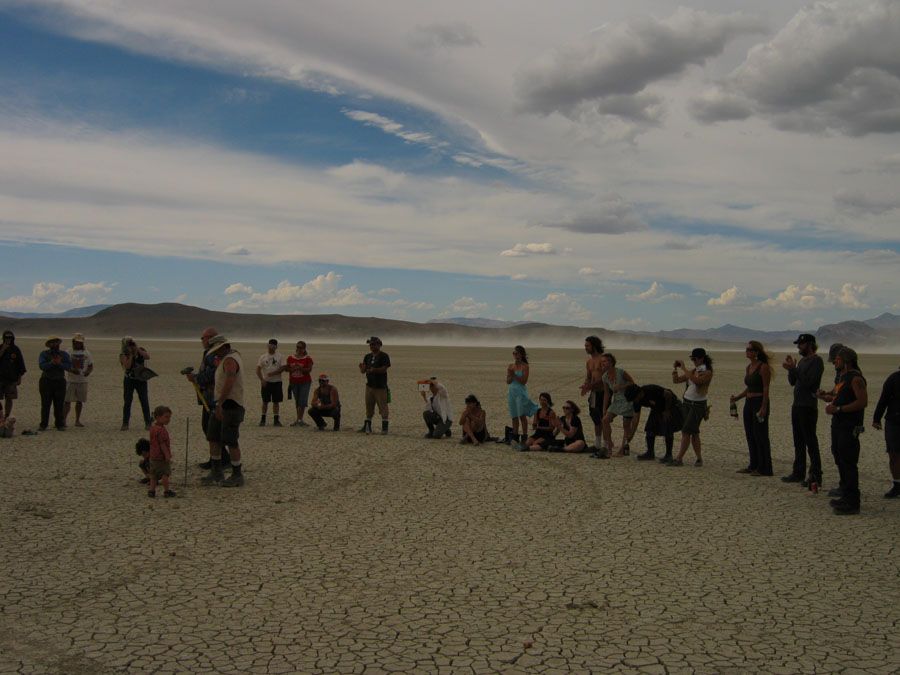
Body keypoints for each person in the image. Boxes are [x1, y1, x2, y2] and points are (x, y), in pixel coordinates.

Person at [826, 347, 867, 515]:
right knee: (839, 457)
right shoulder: (843, 378)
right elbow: (836, 395)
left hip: (849, 427)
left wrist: (840, 409)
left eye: (837, 359)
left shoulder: (856, 378)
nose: (835, 362)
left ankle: (853, 502)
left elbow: (862, 402)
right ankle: (845, 493)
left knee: (849, 462)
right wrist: (825, 397)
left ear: (846, 361)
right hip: (838, 425)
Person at [781, 334, 825, 487]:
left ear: (810, 345)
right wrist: (791, 369)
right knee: (798, 441)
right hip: (797, 405)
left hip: (808, 406)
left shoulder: (816, 361)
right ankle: (798, 472)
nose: (798, 347)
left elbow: (810, 383)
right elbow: (794, 382)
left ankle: (815, 475)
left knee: (810, 441)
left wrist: (795, 369)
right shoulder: (802, 362)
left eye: (801, 344)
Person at [202, 337, 245, 487]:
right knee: (213, 437)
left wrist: (220, 402)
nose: (215, 354)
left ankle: (237, 474)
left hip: (230, 405)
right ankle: (216, 471)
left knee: (231, 440)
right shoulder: (229, 358)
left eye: (216, 351)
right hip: (222, 404)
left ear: (223, 348)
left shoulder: (229, 361)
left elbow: (229, 381)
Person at [186, 329, 231, 469]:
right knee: (209, 428)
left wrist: (195, 378)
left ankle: (222, 458)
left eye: (203, 338)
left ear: (210, 338)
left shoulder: (213, 354)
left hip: (213, 397)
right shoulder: (209, 353)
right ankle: (216, 458)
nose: (202, 341)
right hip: (208, 396)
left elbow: (213, 374)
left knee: (211, 428)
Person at [731, 341, 774, 476]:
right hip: (749, 402)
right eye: (746, 349)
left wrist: (763, 406)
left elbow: (766, 388)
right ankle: (753, 464)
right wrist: (737, 398)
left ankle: (764, 467)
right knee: (750, 435)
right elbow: (749, 387)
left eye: (750, 349)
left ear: (756, 352)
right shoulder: (749, 367)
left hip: (758, 402)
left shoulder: (763, 367)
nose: (747, 351)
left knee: (760, 435)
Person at [667, 348, 713, 467]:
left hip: (697, 405)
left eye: (695, 359)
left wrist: (684, 368)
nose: (693, 361)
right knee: (694, 432)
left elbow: (698, 381)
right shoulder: (693, 370)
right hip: (687, 403)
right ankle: (699, 458)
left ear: (702, 358)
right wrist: (675, 369)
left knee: (687, 431)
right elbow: (676, 380)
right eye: (692, 359)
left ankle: (679, 458)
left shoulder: (707, 371)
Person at [624, 383, 683, 463]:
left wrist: (666, 410)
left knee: (668, 429)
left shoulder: (651, 389)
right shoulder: (637, 400)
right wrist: (631, 434)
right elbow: (636, 417)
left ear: (639, 393)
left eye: (635, 398)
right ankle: (650, 453)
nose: (635, 401)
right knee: (650, 429)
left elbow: (668, 394)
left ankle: (669, 455)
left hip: (670, 405)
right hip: (656, 408)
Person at [872, 365, 900, 499]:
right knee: (893, 454)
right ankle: (897, 484)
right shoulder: (893, 379)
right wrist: (876, 418)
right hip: (893, 421)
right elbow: (883, 399)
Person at [600, 353, 635, 457]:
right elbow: (607, 393)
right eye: (602, 362)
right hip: (616, 401)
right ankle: (609, 446)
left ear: (611, 363)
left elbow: (632, 383)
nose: (602, 363)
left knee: (626, 425)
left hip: (627, 400)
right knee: (605, 420)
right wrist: (604, 409)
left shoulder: (620, 372)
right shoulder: (605, 377)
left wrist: (621, 387)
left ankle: (622, 449)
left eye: (604, 361)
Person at [507, 345, 538, 450]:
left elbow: (524, 381)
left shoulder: (525, 366)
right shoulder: (511, 366)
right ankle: (515, 436)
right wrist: (510, 375)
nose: (515, 355)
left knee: (521, 415)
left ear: (521, 354)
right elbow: (508, 381)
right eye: (514, 353)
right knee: (514, 415)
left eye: (517, 353)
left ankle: (524, 436)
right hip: (511, 392)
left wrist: (514, 375)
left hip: (520, 392)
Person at [579, 335, 607, 453]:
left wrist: (590, 385)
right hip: (594, 393)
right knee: (595, 417)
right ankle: (598, 444)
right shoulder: (589, 362)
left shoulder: (603, 360)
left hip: (604, 392)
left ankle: (606, 445)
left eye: (587, 346)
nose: (585, 348)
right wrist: (586, 386)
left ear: (594, 346)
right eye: (585, 346)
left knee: (604, 417)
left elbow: (604, 378)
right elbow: (588, 377)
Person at [38, 336, 72, 431]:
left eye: (56, 342)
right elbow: (41, 366)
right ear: (48, 345)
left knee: (59, 404)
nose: (54, 344)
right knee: (45, 404)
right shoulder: (44, 354)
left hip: (59, 381)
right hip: (46, 381)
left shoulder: (64, 354)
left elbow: (69, 366)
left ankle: (59, 424)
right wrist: (52, 363)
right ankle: (43, 424)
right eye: (52, 342)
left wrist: (59, 364)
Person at [358, 336, 391, 435]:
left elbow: (385, 368)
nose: (372, 346)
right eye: (371, 345)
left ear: (379, 345)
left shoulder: (384, 356)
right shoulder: (367, 356)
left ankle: (384, 428)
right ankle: (367, 426)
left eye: (373, 344)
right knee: (369, 406)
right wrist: (362, 368)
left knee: (383, 407)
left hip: (380, 386)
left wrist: (374, 369)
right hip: (370, 385)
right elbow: (363, 371)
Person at [120, 336, 152, 431]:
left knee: (144, 401)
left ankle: (148, 423)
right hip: (129, 379)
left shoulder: (140, 350)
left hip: (141, 379)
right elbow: (127, 366)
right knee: (127, 401)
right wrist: (131, 354)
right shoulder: (124, 353)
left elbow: (147, 357)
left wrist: (137, 349)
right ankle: (125, 423)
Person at [63, 333, 93, 428]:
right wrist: (71, 370)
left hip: (82, 380)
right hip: (71, 380)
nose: (78, 344)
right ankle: (63, 420)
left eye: (80, 342)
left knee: (79, 401)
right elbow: (65, 364)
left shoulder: (86, 353)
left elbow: (91, 365)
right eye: (76, 342)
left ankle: (77, 420)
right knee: (67, 401)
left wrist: (88, 372)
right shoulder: (68, 352)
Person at [147, 405, 176, 498]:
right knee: (165, 474)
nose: (168, 419)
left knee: (153, 475)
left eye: (169, 417)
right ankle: (166, 490)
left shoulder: (153, 429)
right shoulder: (161, 430)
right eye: (166, 417)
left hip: (153, 456)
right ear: (158, 417)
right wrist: (167, 455)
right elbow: (162, 444)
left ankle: (152, 490)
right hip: (161, 457)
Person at [256, 338, 284, 427]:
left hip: (277, 382)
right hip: (266, 382)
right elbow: (258, 369)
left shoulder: (279, 356)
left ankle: (276, 420)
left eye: (273, 346)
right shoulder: (263, 357)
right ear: (267, 346)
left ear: (276, 347)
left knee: (276, 401)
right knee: (265, 401)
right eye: (270, 345)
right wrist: (262, 380)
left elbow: (282, 368)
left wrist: (273, 373)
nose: (271, 347)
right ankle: (263, 419)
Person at [287, 341, 314, 426]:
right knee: (297, 400)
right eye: (298, 347)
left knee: (302, 400)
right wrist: (293, 369)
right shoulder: (290, 358)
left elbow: (309, 369)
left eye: (301, 347)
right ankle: (299, 419)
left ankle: (299, 419)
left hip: (305, 381)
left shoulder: (307, 358)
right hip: (294, 382)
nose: (299, 349)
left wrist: (300, 368)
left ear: (304, 349)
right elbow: (287, 369)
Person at [0, 330, 26, 417]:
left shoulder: (15, 349)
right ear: (3, 338)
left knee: (9, 398)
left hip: (11, 379)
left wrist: (19, 378)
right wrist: (3, 350)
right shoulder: (0, 347)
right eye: (6, 338)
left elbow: (20, 365)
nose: (8, 339)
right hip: (0, 378)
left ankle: (7, 415)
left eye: (10, 338)